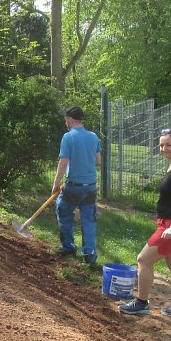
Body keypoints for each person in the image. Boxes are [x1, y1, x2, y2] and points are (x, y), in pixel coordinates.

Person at [120, 128, 171, 316]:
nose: (164, 148)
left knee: (143, 259)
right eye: (161, 145)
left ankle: (141, 302)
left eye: (169, 144)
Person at [52, 106, 102, 266]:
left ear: (71, 119)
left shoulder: (68, 137)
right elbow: (98, 160)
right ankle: (89, 254)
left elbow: (63, 161)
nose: (65, 121)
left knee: (64, 211)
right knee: (88, 220)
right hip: (90, 187)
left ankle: (68, 247)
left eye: (66, 118)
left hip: (73, 186)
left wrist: (56, 183)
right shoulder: (93, 136)